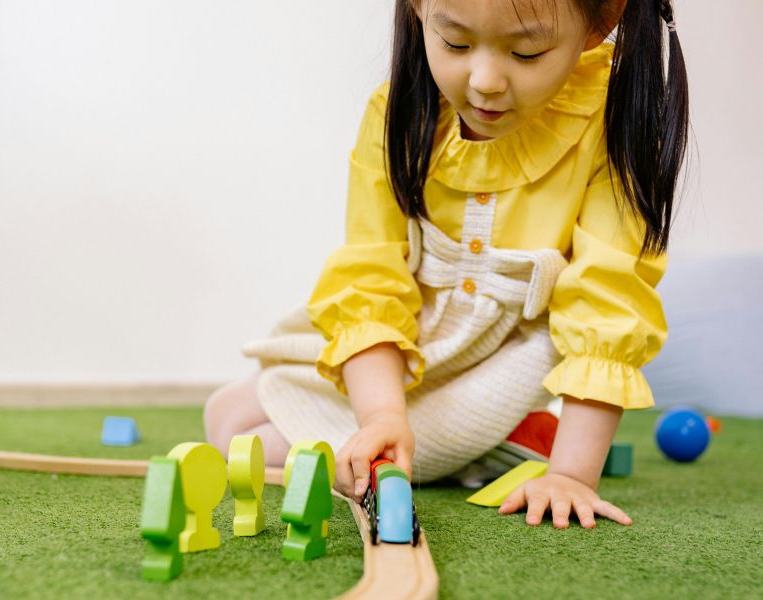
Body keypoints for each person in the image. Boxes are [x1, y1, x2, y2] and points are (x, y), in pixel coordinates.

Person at [204, 0, 689, 529]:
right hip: (415, 345)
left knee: (255, 448)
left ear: (600, 24)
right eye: (456, 43)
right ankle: (501, 442)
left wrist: (572, 475)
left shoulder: (609, 122)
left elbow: (605, 304)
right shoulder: (397, 113)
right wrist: (382, 416)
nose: (485, 82)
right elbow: (370, 278)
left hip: (501, 368)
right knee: (224, 416)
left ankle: (504, 436)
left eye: (527, 53)